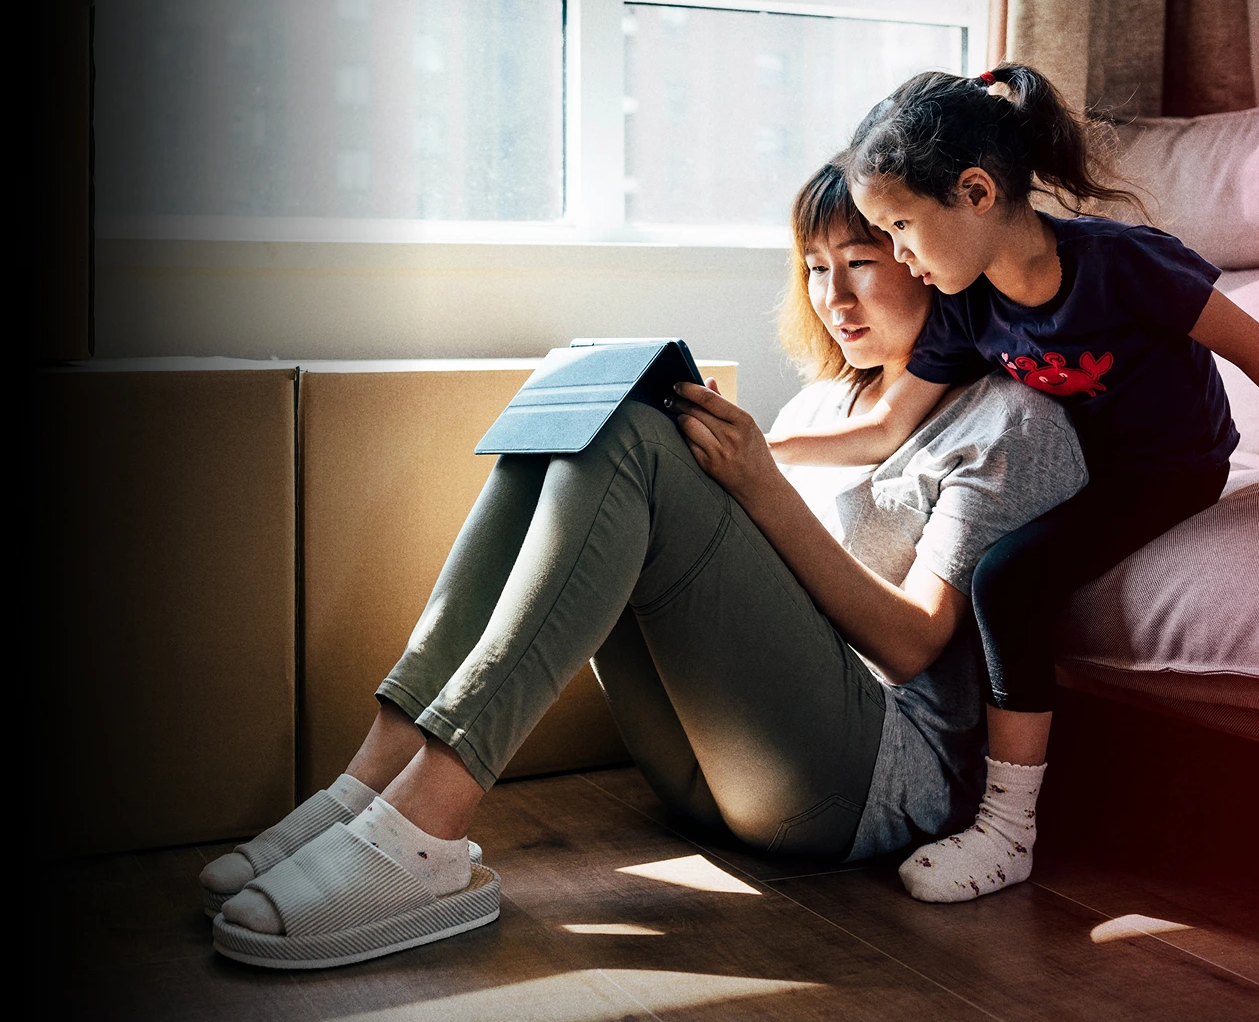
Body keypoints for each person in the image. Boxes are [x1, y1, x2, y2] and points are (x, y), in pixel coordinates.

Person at [199, 163, 1087, 968]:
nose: (834, 297)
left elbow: (915, 644)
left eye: (862, 260)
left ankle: (421, 830)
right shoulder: (827, 402)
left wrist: (762, 486)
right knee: (577, 414)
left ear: (925, 253)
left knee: (626, 437)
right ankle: (368, 784)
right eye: (816, 268)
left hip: (865, 787)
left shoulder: (1011, 422)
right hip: (713, 772)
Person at [767, 64, 1259, 904]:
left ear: (977, 193)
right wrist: (759, 446)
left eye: (903, 229)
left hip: (1170, 469)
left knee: (1008, 577)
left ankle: (1007, 828)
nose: (904, 259)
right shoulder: (961, 305)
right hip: (1077, 466)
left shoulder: (1123, 265)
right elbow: (886, 428)